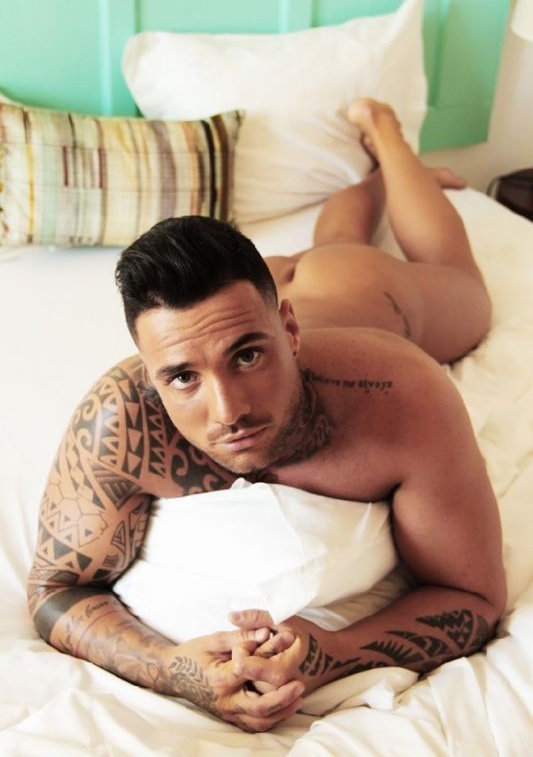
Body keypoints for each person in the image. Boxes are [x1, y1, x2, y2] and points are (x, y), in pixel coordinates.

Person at [27, 99, 505, 733]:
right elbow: (53, 589)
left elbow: (475, 597)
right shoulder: (119, 421)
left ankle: (388, 142)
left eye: (248, 356)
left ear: (289, 331)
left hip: (368, 294)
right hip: (271, 291)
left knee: (456, 285)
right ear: (150, 374)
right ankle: (362, 192)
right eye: (183, 377)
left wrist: (334, 653)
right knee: (331, 245)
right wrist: (171, 669)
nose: (229, 412)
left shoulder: (404, 392)